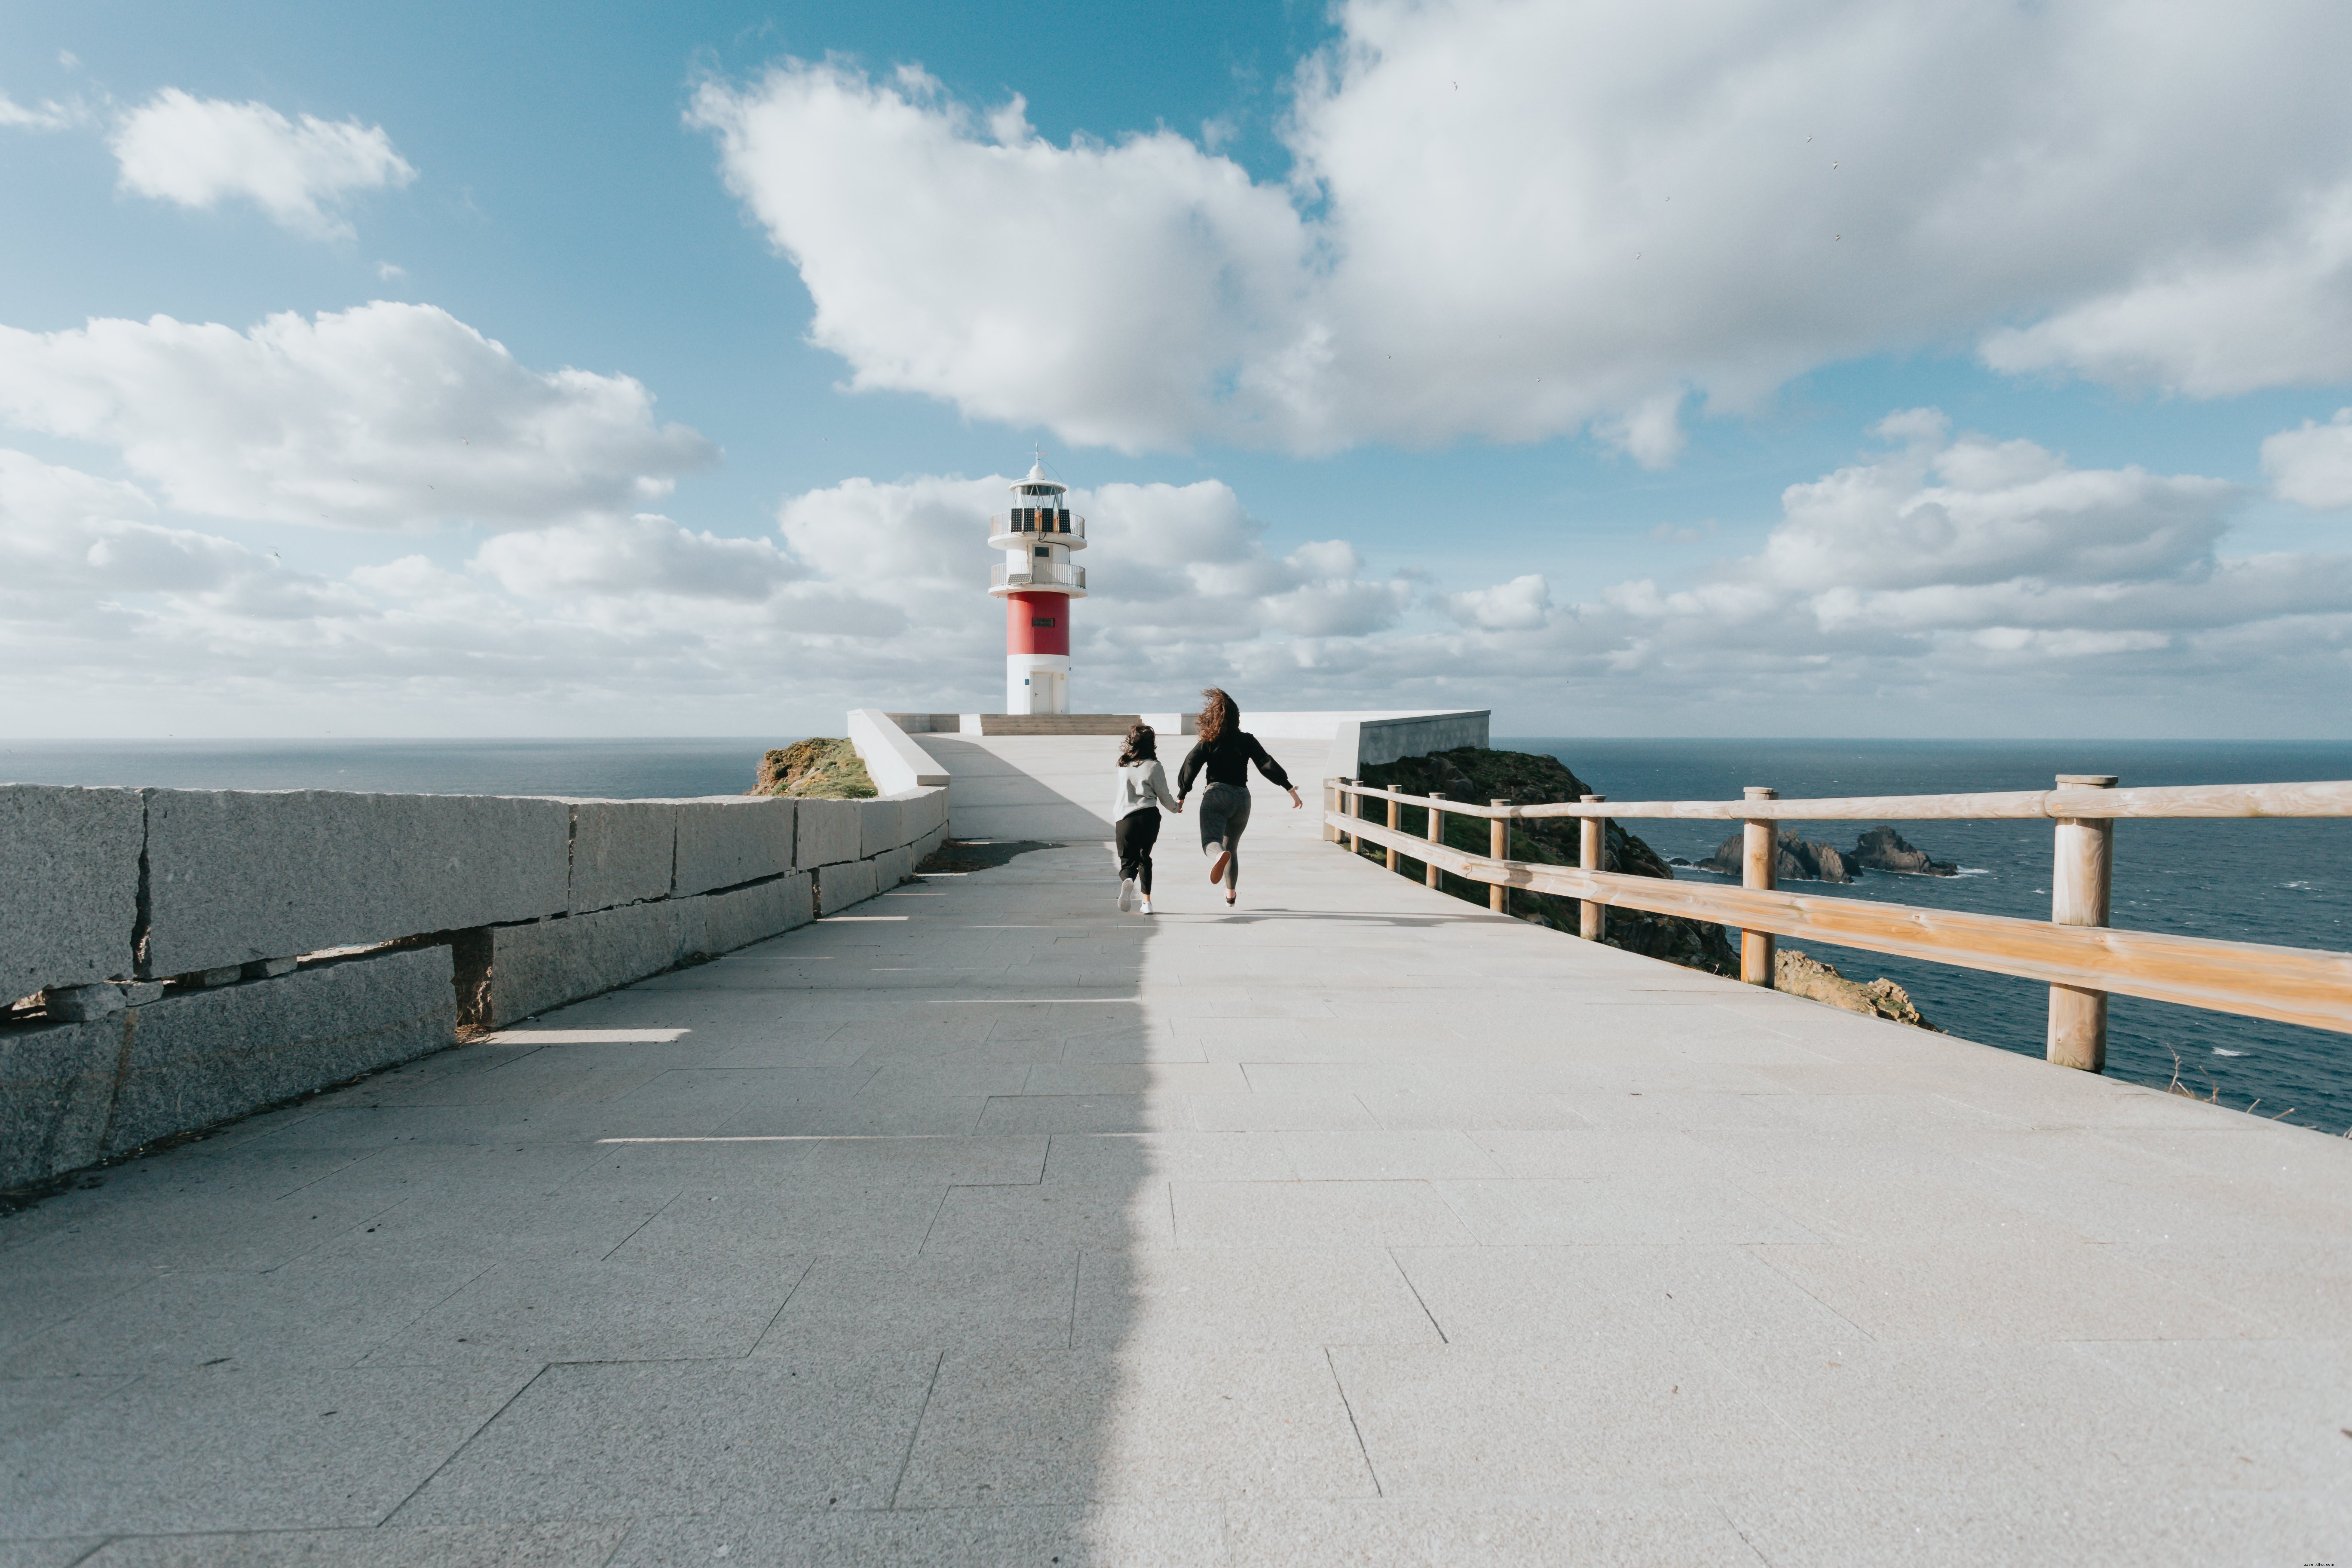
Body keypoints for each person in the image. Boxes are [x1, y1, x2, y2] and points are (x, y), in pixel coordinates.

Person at [1175, 687, 1301, 906]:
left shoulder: (1209, 740)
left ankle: (1216, 857)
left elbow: (1191, 764)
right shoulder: (1247, 740)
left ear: (1213, 717)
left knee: (1211, 842)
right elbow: (1266, 763)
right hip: (1242, 799)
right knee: (1231, 849)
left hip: (1216, 796)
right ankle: (1231, 893)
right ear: (1237, 718)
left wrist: (1182, 794)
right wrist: (1289, 788)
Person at [1111, 721, 1180, 914]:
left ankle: (1129, 880)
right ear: (1152, 744)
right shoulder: (1154, 766)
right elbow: (1164, 795)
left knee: (1128, 862)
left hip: (1125, 819)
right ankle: (1147, 903)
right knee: (1144, 858)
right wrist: (1176, 808)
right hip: (1148, 817)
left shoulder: (1123, 765)